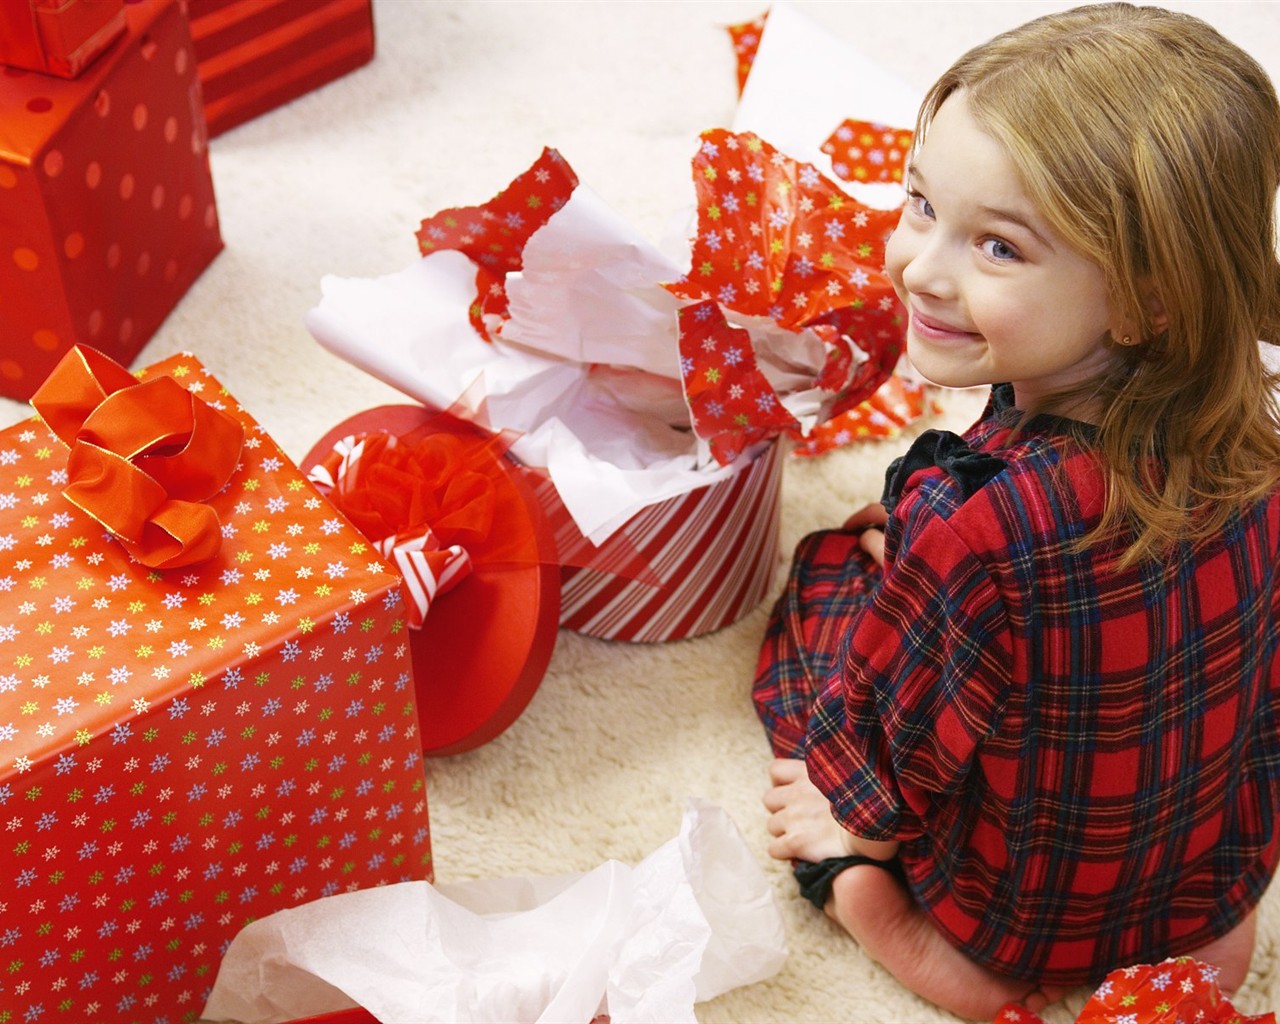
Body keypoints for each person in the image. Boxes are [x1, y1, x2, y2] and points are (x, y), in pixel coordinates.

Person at [754, 3, 1280, 1019]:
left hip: (1010, 902)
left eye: (996, 247)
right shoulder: (1257, 450)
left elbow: (888, 737)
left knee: (824, 589)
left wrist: (850, 821)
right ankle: (1201, 937)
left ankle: (901, 927)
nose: (920, 267)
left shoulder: (973, 529)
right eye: (918, 204)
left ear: (1143, 300)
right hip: (1204, 862)